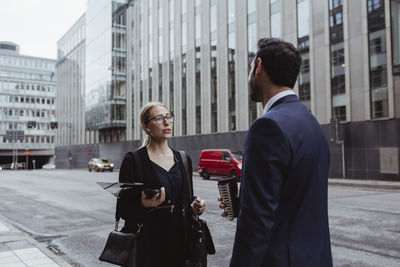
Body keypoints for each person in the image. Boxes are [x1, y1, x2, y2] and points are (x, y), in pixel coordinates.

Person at [221, 38, 333, 267]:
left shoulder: (267, 126)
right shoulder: (312, 125)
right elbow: (296, 198)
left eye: (251, 68)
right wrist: (244, 202)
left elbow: (256, 223)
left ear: (259, 67)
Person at [118, 102, 206, 267]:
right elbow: (123, 208)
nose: (167, 123)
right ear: (146, 127)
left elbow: (185, 198)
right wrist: (142, 203)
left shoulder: (183, 159)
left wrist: (196, 204)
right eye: (159, 119)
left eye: (168, 117)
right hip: (148, 248)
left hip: (181, 245)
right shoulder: (133, 160)